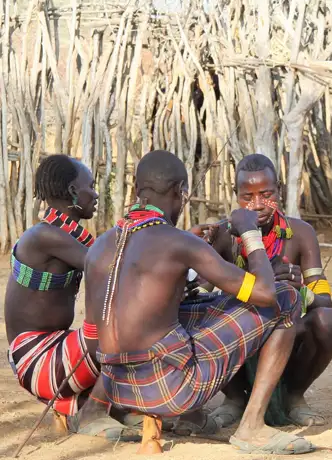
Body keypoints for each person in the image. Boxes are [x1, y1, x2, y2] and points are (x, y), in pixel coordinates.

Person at [83, 150, 313, 454]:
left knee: (194, 306)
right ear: (180, 192)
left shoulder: (100, 243)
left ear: (137, 191)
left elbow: (96, 332)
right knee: (285, 298)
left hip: (116, 386)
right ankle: (252, 427)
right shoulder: (179, 241)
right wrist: (249, 233)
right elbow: (265, 294)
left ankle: (185, 417)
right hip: (171, 391)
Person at [191, 153, 332, 428]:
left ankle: (295, 397)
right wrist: (242, 285)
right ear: (235, 196)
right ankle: (234, 398)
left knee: (328, 321)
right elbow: (199, 296)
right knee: (199, 321)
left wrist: (297, 290)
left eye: (266, 194)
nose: (257, 205)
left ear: (279, 191)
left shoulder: (300, 234)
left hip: (287, 334)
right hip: (237, 335)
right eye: (247, 197)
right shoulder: (223, 234)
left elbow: (325, 302)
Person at [4, 155, 108, 428]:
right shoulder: (47, 236)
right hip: (37, 360)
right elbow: (109, 267)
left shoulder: (60, 235)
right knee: (125, 330)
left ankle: (82, 406)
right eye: (91, 186)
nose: (95, 194)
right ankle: (90, 413)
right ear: (74, 191)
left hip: (53, 349)